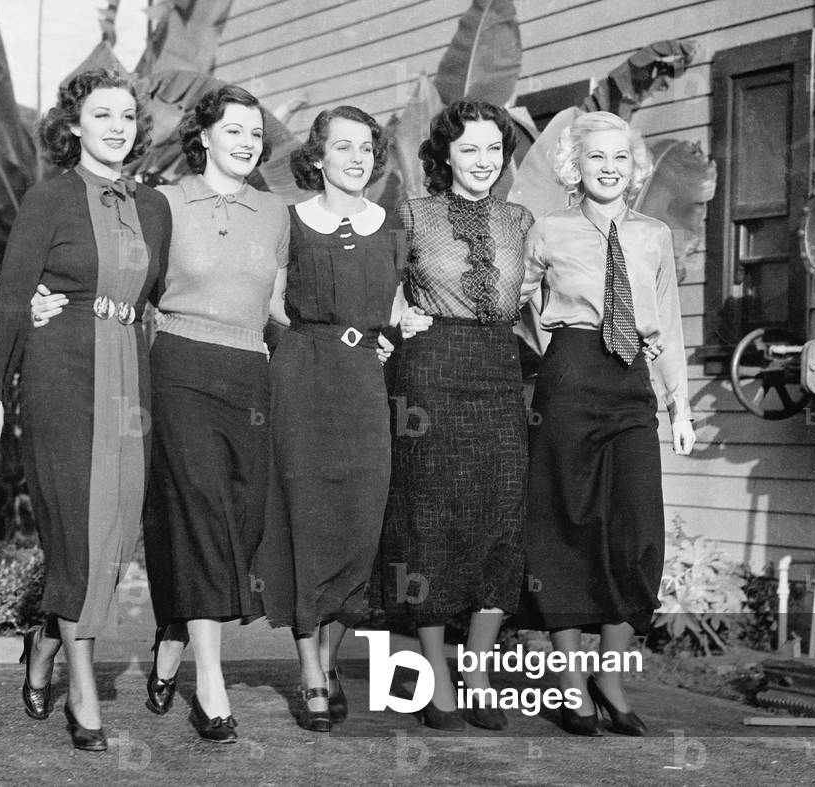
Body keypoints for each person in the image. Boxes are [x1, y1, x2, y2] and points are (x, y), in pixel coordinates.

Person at [32, 84, 289, 744]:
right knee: (201, 511)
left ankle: (169, 630)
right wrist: (48, 295)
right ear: (202, 136)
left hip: (249, 374)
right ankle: (210, 687)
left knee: (236, 518)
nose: (246, 141)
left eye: (255, 132)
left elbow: (285, 304)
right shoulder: (163, 204)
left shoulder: (275, 211)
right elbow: (117, 273)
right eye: (233, 130)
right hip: (177, 367)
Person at [0, 70, 170, 752]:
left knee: (114, 534)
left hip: (129, 377)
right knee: (78, 528)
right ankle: (82, 689)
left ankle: (45, 643)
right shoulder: (49, 198)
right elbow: (11, 293)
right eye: (101, 115)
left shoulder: (155, 209)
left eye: (125, 116)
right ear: (74, 127)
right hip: (62, 372)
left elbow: (156, 296)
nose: (116, 126)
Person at [519, 110, 696, 736]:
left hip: (630, 385)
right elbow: (513, 301)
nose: (609, 168)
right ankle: (571, 682)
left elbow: (669, 324)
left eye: (620, 157)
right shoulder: (547, 230)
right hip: (569, 375)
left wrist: (680, 403)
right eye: (596, 157)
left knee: (639, 533)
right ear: (576, 165)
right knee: (566, 526)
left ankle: (610, 674)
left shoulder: (653, 235)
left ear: (634, 166)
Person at [374, 98, 533, 732]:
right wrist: (393, 319)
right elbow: (374, 286)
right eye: (470, 149)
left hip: (499, 369)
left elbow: (545, 295)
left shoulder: (522, 219)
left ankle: (478, 667)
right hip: (430, 370)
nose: (484, 161)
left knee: (502, 514)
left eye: (494, 149)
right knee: (431, 518)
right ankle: (436, 672)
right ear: (444, 155)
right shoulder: (411, 214)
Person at [255, 106, 406, 732]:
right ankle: (309, 668)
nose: (357, 158)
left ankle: (330, 654)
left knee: (360, 519)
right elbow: (270, 300)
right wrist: (320, 338)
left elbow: (398, 303)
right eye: (343, 147)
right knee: (307, 516)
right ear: (317, 157)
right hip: (304, 375)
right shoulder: (291, 223)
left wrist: (384, 336)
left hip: (365, 384)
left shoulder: (392, 227)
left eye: (366, 148)